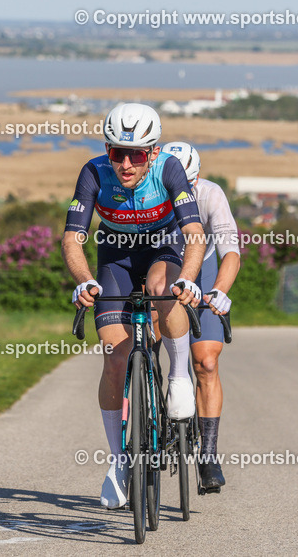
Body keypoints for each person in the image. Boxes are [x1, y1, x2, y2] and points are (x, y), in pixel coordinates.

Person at [62, 103, 207, 509]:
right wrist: (84, 280)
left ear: (153, 153)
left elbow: (194, 232)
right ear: (106, 150)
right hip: (117, 255)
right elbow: (73, 237)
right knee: (114, 355)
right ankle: (119, 460)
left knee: (163, 287)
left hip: (164, 246)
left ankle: (179, 377)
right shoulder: (93, 172)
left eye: (137, 154)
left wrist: (188, 281)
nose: (126, 163)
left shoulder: (169, 171)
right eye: (117, 153)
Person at [161, 142, 240, 492]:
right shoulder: (151, 195)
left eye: (188, 187)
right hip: (163, 266)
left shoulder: (210, 194)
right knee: (145, 338)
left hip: (203, 267)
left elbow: (230, 252)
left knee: (206, 362)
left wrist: (220, 291)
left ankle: (207, 455)